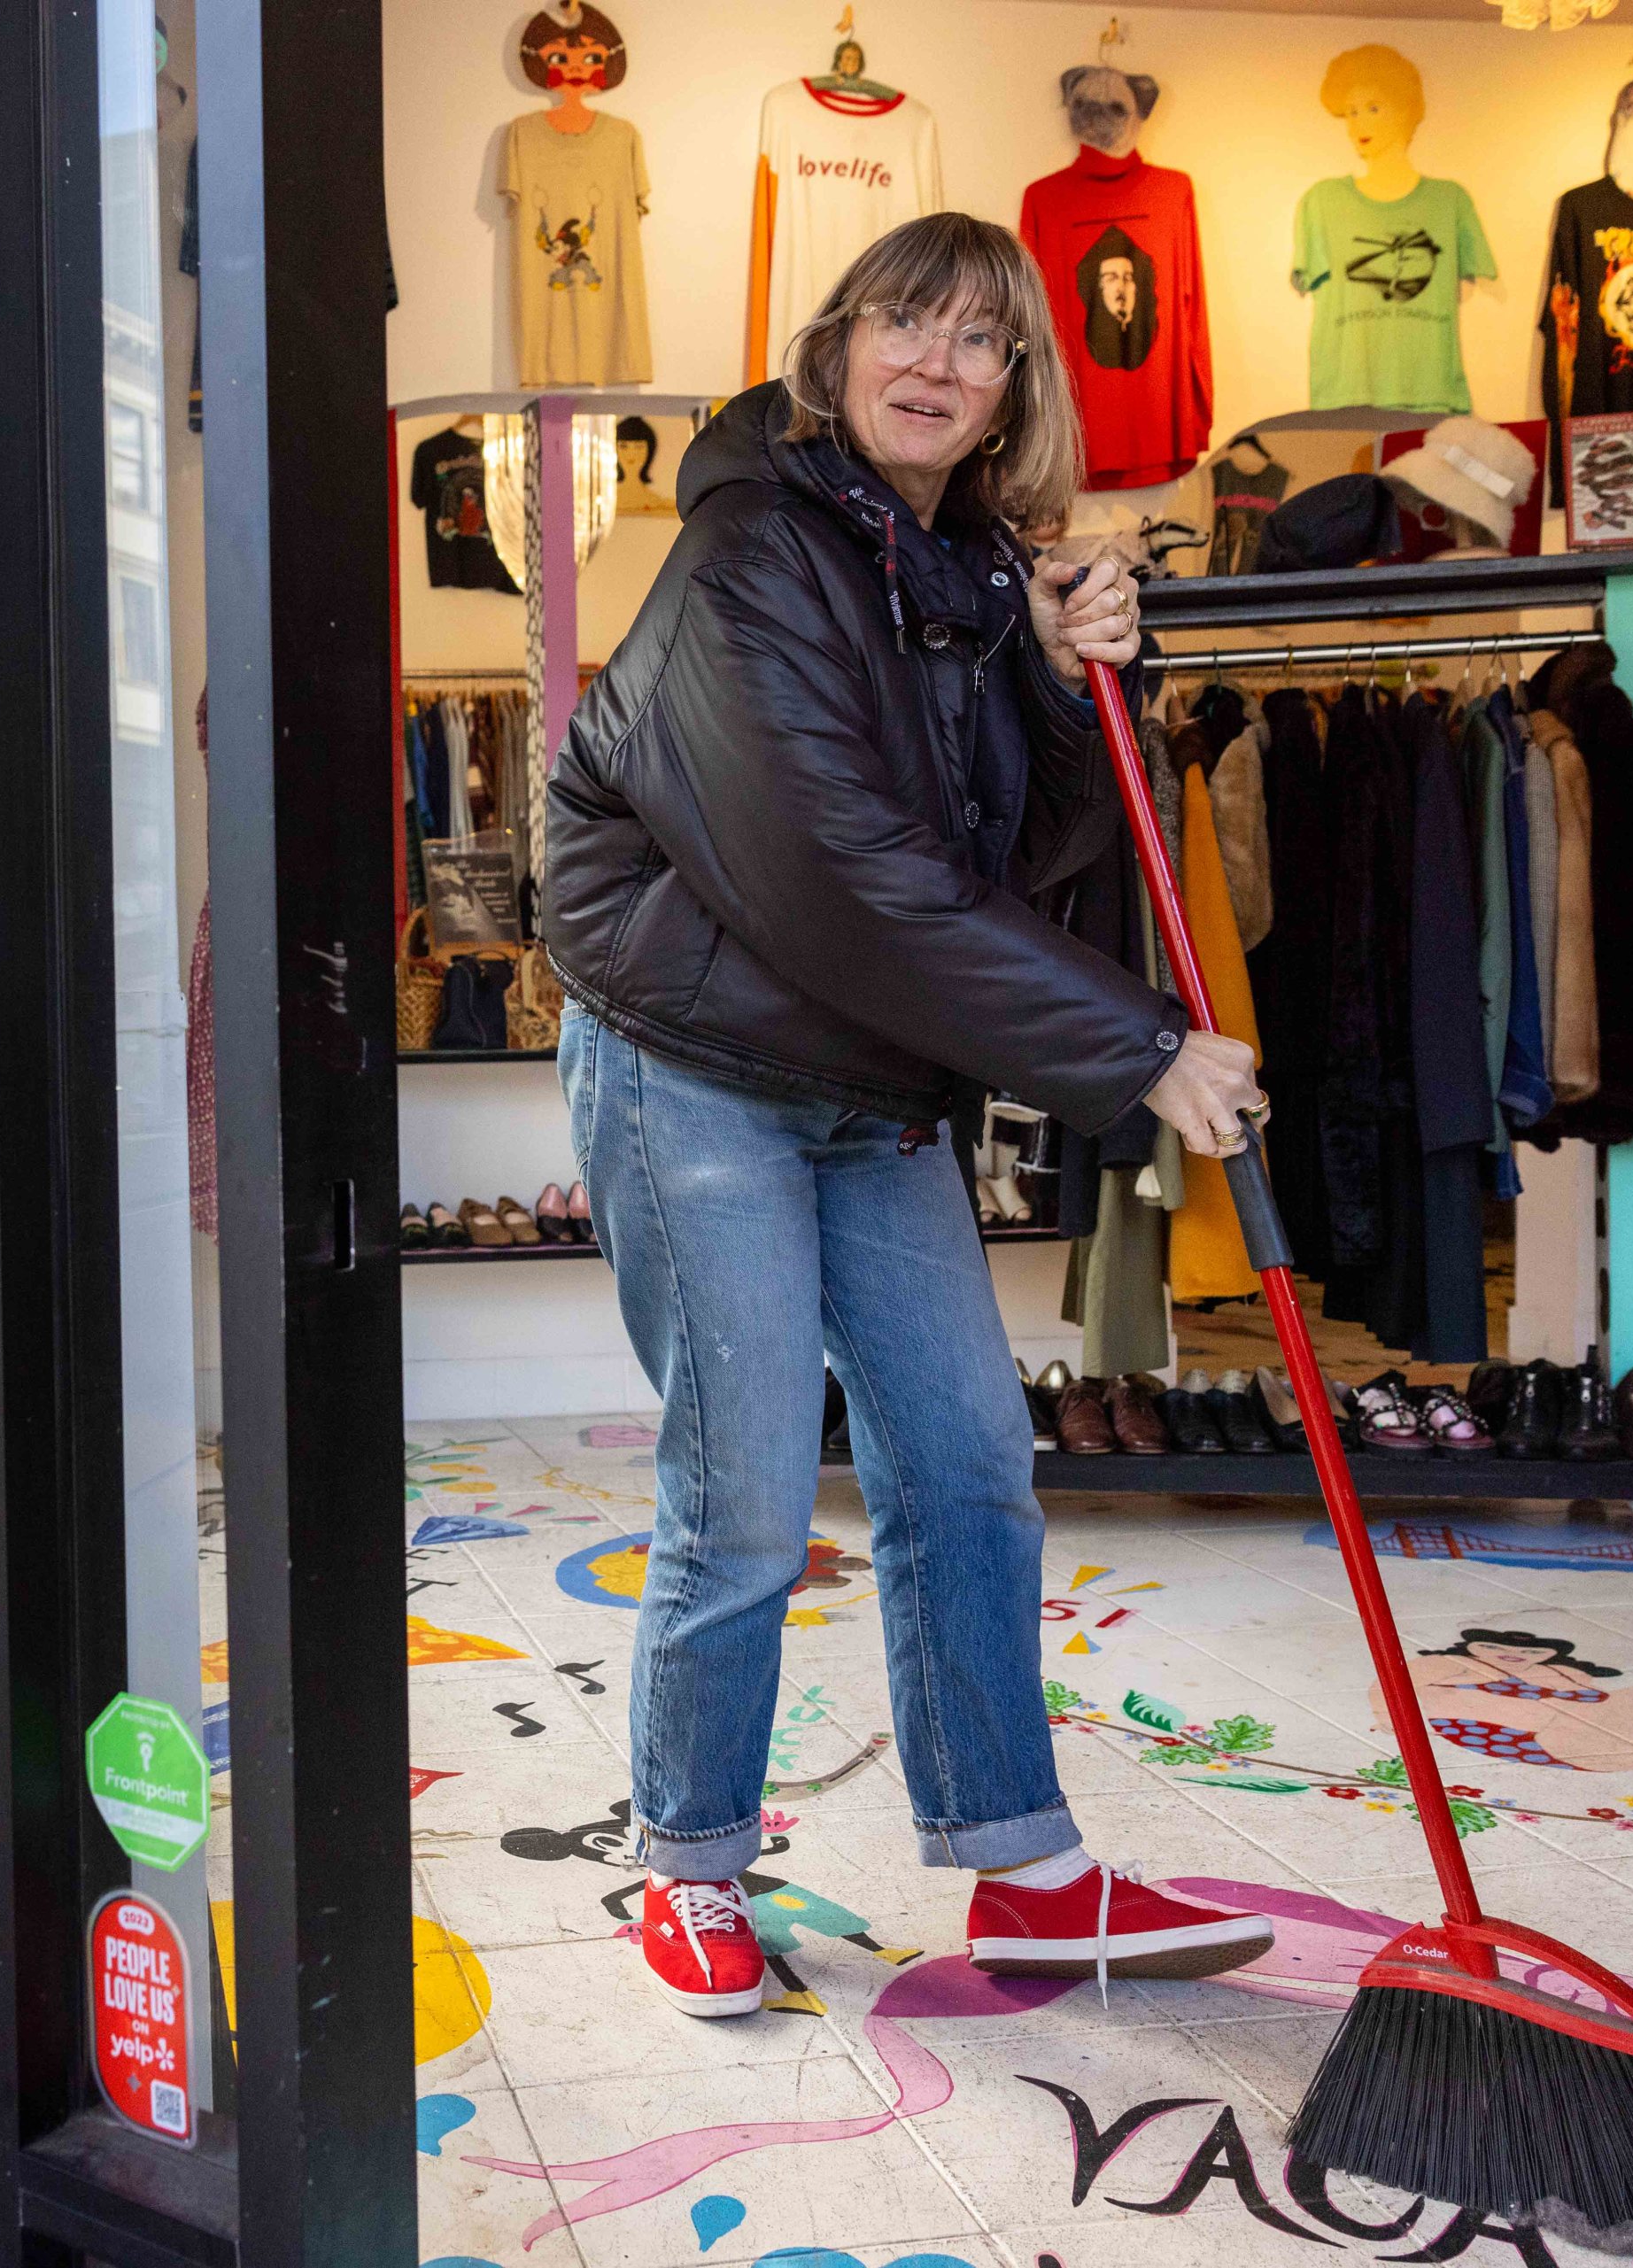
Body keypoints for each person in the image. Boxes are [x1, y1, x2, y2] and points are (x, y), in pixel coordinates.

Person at [543, 211, 1274, 2016]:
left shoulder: (959, 581)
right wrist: (1137, 1048)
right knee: (746, 1490)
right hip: (691, 1063)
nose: (935, 365)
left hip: (868, 1082)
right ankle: (692, 1860)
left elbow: (1020, 854)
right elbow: (852, 876)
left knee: (966, 1465)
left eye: (978, 339)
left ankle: (1019, 1864)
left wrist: (1059, 664)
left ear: (1013, 384)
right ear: (834, 345)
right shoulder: (747, 559)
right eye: (904, 324)